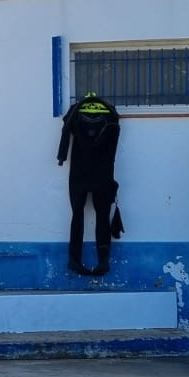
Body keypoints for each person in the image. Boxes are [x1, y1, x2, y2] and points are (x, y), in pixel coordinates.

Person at [56, 92, 121, 277]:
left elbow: (65, 130)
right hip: (103, 170)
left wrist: (62, 156)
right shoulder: (111, 114)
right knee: (103, 215)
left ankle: (74, 259)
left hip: (80, 171)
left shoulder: (75, 112)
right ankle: (103, 260)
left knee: (77, 214)